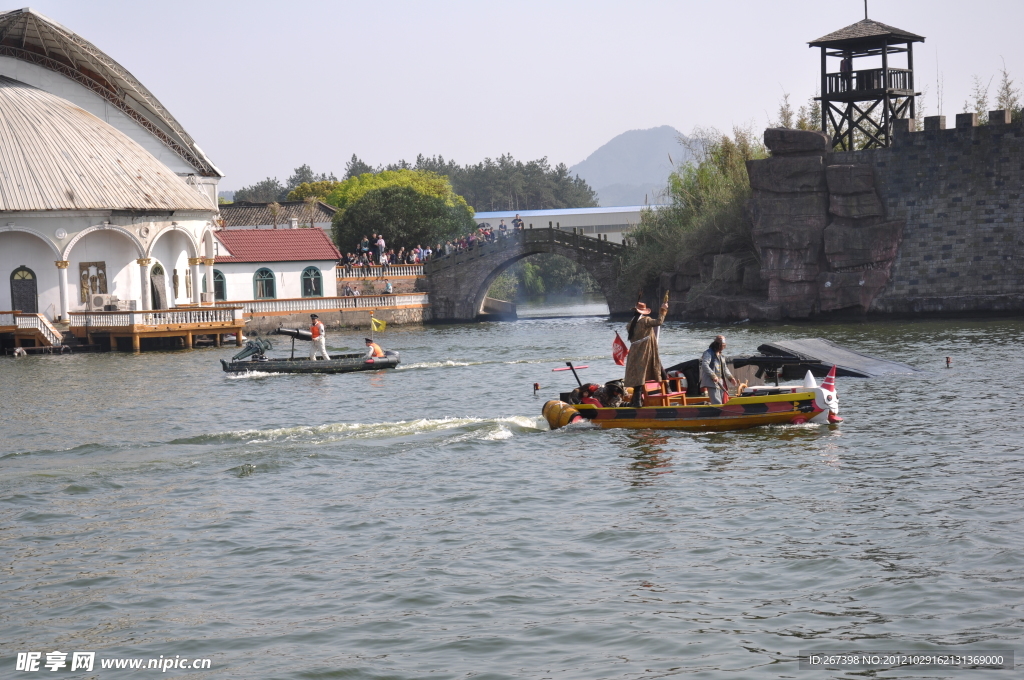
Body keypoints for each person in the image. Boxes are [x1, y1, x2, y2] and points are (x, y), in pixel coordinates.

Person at [623, 300, 668, 407]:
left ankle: (637, 401)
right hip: (645, 349)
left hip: (634, 351)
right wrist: (663, 309)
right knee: (653, 367)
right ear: (643, 312)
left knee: (638, 374)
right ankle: (667, 388)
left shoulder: (630, 324)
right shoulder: (645, 321)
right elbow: (659, 322)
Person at [700, 335, 736, 405]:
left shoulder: (721, 356)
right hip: (712, 382)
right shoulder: (708, 353)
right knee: (717, 402)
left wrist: (730, 378)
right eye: (721, 346)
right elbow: (705, 365)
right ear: (717, 345)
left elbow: (725, 368)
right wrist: (713, 376)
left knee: (723, 402)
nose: (722, 347)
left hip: (721, 382)